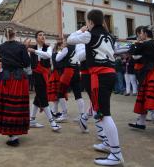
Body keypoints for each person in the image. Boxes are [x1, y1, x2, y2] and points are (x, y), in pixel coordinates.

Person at [67, 9, 124, 166]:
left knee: (103, 113)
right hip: (109, 74)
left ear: (90, 22)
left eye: (87, 22)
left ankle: (116, 153)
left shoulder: (89, 34)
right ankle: (108, 143)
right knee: (101, 111)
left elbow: (70, 39)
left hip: (99, 76)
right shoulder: (109, 36)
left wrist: (82, 29)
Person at [0, 27, 31, 146]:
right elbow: (26, 63)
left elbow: (2, 61)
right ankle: (14, 135)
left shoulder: (0, 47)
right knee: (17, 105)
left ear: (5, 35)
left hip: (6, 78)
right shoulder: (21, 46)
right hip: (18, 77)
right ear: (15, 33)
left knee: (7, 105)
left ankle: (12, 135)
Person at [27, 31, 61, 132]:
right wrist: (27, 47)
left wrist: (34, 51)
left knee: (39, 97)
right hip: (36, 75)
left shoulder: (48, 47)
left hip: (45, 74)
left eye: (43, 35)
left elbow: (48, 55)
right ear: (36, 38)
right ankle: (52, 122)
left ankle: (32, 120)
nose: (43, 37)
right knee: (43, 97)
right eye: (40, 35)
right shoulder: (32, 47)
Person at [54, 39, 87, 128]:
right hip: (77, 71)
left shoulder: (66, 48)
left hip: (68, 71)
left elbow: (57, 59)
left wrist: (61, 51)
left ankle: (64, 115)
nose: (63, 42)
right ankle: (81, 115)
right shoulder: (78, 48)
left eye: (65, 41)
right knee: (78, 94)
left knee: (60, 93)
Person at [47, 39, 64, 118]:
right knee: (58, 94)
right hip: (58, 74)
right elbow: (59, 65)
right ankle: (54, 111)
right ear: (60, 46)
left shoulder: (55, 54)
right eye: (62, 46)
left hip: (56, 73)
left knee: (57, 95)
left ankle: (55, 111)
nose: (64, 47)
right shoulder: (58, 54)